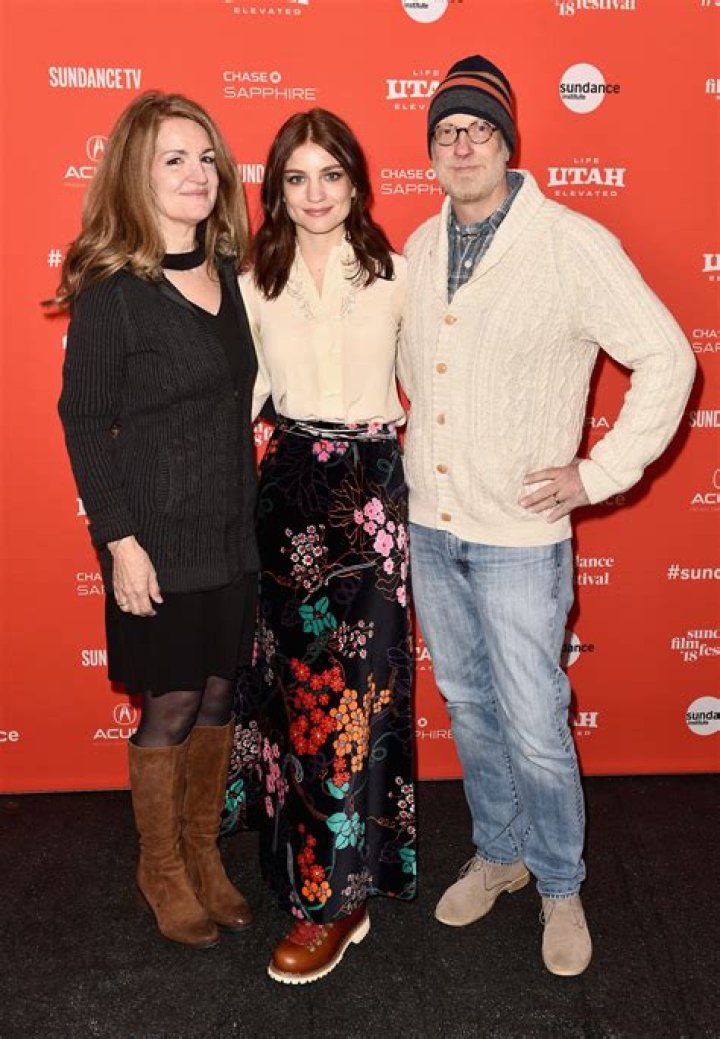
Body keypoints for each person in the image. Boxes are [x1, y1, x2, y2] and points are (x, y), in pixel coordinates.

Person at [399, 55, 695, 977]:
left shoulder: (570, 242)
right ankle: (501, 853)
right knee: (468, 705)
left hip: (520, 539)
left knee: (533, 719)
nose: (462, 145)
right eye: (447, 132)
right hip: (432, 526)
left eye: (479, 129)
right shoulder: (418, 246)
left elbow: (669, 357)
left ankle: (560, 882)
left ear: (507, 144)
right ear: (432, 151)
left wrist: (598, 472)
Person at [55, 91, 259, 949]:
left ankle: (204, 852)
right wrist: (121, 543)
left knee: (218, 695)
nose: (196, 173)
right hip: (157, 542)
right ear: (136, 174)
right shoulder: (114, 293)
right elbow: (82, 419)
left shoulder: (232, 275)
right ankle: (162, 866)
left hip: (232, 533)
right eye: (173, 159)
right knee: (171, 702)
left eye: (205, 157)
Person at [230, 108, 416, 984]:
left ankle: (338, 899)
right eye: (297, 178)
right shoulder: (251, 283)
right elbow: (240, 403)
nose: (314, 194)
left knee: (357, 704)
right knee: (297, 701)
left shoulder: (398, 276)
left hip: (371, 497)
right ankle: (307, 874)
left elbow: (433, 392)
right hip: (288, 493)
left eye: (330, 175)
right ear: (276, 189)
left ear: (356, 183)